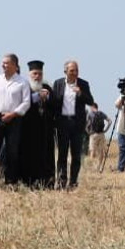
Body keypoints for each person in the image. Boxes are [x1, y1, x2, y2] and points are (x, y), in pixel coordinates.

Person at [48, 59, 98, 189]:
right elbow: (53, 103)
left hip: (77, 124)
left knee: (76, 154)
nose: (75, 73)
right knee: (62, 154)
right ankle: (62, 181)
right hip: (62, 123)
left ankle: (73, 181)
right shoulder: (58, 83)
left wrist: (80, 93)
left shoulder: (83, 84)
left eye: (76, 70)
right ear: (65, 71)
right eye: (72, 71)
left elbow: (90, 101)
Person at [0, 54, 29, 185]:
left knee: (12, 151)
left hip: (14, 119)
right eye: (2, 63)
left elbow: (26, 102)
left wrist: (13, 114)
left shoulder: (23, 82)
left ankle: (10, 181)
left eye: (6, 63)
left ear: (15, 65)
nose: (3, 65)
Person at [21, 60, 54, 188]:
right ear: (30, 74)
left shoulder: (47, 87)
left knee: (46, 155)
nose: (37, 76)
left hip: (45, 128)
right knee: (29, 155)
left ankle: (47, 182)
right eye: (35, 73)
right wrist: (37, 97)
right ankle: (29, 182)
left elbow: (56, 104)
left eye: (40, 74)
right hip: (28, 128)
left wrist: (48, 98)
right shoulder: (24, 86)